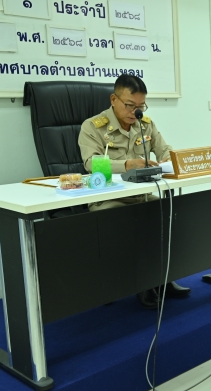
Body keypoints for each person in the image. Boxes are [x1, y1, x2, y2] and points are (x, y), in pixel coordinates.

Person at [78, 74, 190, 309]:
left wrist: (169, 160)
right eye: (130, 105)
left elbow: (164, 150)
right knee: (133, 223)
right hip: (109, 199)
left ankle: (164, 278)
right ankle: (143, 284)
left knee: (170, 213)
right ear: (114, 99)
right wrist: (127, 165)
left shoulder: (145, 124)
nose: (135, 112)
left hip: (141, 195)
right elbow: (91, 163)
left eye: (141, 106)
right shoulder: (93, 126)